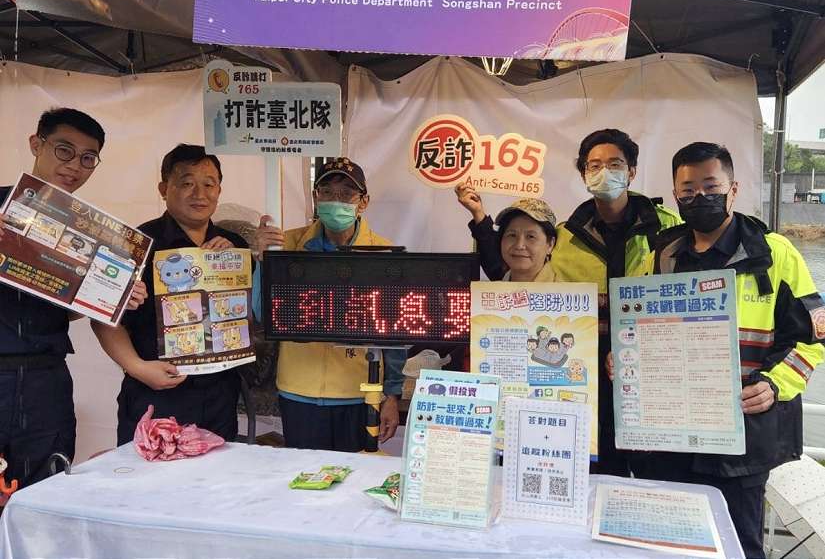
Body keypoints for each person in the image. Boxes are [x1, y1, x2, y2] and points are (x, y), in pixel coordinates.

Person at [612, 141, 824, 558]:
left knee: (738, 546)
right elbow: (634, 328)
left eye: (711, 187)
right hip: (668, 437)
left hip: (740, 439)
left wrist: (774, 385)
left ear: (733, 189)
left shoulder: (773, 254)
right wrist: (622, 355)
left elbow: (811, 339)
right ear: (676, 196)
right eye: (688, 190)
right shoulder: (662, 256)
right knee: (668, 545)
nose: (700, 197)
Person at [456, 128, 681, 475]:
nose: (604, 172)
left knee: (653, 479)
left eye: (615, 164)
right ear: (583, 173)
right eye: (594, 165)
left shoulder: (667, 228)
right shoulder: (567, 234)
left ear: (632, 171)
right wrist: (481, 221)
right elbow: (514, 269)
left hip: (645, 376)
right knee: (591, 474)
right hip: (584, 377)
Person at [0, 108, 146, 490]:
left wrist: (116, 296)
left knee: (46, 488)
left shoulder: (92, 233)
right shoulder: (1, 206)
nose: (74, 166)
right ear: (36, 144)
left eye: (87, 158)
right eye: (64, 150)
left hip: (46, 378)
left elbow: (69, 311)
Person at [92, 144, 247, 445]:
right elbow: (102, 318)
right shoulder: (134, 244)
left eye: (209, 184)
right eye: (186, 183)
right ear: (164, 189)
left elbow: (249, 314)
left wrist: (243, 262)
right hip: (156, 390)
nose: (199, 194)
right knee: (151, 471)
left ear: (219, 190)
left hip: (221, 392)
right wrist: (137, 368)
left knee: (217, 471)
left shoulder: (234, 245)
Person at [251, 157, 405, 452]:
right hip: (298, 391)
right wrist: (262, 260)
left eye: (346, 194)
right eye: (328, 192)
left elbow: (394, 334)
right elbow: (261, 312)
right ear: (315, 197)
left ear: (363, 202)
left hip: (359, 394)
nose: (336, 201)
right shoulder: (285, 245)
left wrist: (392, 395)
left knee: (354, 474)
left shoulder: (382, 252)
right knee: (304, 475)